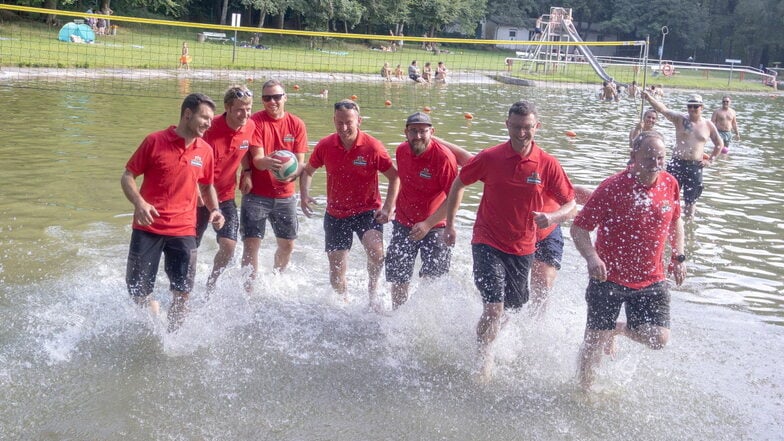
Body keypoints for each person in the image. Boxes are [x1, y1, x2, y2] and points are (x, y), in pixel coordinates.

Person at [443, 101, 576, 381]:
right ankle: (483, 359)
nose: (521, 133)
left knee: (512, 309)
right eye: (516, 127)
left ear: (536, 127)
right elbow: (459, 183)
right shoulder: (490, 157)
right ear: (507, 125)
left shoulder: (548, 164)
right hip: (487, 240)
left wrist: (552, 218)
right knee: (494, 307)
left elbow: (570, 204)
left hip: (523, 247)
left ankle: (487, 336)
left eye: (527, 128)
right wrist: (451, 224)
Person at [571, 130, 686, 391]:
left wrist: (678, 255)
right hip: (608, 277)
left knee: (659, 338)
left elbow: (676, 219)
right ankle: (583, 392)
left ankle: (618, 329)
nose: (655, 164)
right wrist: (591, 257)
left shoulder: (670, 183)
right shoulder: (611, 187)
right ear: (633, 156)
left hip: (651, 277)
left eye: (660, 158)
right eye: (649, 158)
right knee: (594, 341)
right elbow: (579, 228)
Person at [121, 93, 225, 332]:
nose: (210, 123)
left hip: (184, 230)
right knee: (137, 291)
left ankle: (173, 339)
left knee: (183, 292)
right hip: (148, 227)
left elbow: (207, 185)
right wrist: (139, 203)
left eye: (211, 119)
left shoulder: (205, 151)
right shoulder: (154, 141)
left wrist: (215, 209)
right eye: (204, 117)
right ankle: (154, 316)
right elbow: (128, 176)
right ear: (187, 115)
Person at [300, 99, 399, 310]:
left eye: (349, 123)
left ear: (359, 121)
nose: (344, 128)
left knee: (377, 253)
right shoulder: (326, 145)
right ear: (333, 120)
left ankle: (373, 291)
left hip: (367, 211)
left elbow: (394, 177)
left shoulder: (372, 147)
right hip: (336, 214)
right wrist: (304, 195)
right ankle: (344, 305)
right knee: (336, 272)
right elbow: (308, 171)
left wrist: (389, 207)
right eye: (339, 123)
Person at [385, 112, 458, 309]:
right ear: (406, 132)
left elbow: (454, 197)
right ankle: (398, 316)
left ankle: (424, 318)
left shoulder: (443, 158)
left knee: (432, 281)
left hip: (436, 226)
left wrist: (428, 224)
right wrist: (391, 206)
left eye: (423, 131)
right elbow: (403, 180)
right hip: (403, 223)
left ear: (432, 132)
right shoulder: (401, 151)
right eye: (413, 131)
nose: (418, 136)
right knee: (399, 276)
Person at [241, 79, 309, 291]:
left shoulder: (296, 124)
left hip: (285, 195)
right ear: (262, 100)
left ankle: (276, 279)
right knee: (251, 244)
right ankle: (248, 291)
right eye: (267, 98)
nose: (272, 101)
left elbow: (300, 162)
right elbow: (258, 159)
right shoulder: (255, 122)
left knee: (287, 245)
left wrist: (292, 174)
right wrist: (265, 165)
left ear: (285, 98)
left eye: (276, 97)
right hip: (256, 195)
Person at [196, 85, 257, 292]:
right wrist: (194, 190)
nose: (245, 114)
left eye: (248, 108)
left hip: (225, 196)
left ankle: (211, 284)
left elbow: (247, 148)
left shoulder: (250, 126)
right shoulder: (209, 128)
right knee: (190, 248)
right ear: (227, 108)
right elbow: (190, 156)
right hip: (197, 195)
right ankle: (183, 286)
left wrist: (247, 170)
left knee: (229, 246)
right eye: (240, 109)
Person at [643, 92, 723, 218]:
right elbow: (662, 109)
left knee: (691, 201)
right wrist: (649, 98)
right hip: (677, 163)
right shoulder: (680, 119)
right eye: (689, 106)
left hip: (695, 165)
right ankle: (665, 220)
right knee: (667, 196)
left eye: (695, 106)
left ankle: (688, 225)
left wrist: (710, 160)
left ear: (701, 107)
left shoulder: (708, 125)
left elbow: (719, 144)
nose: (692, 109)